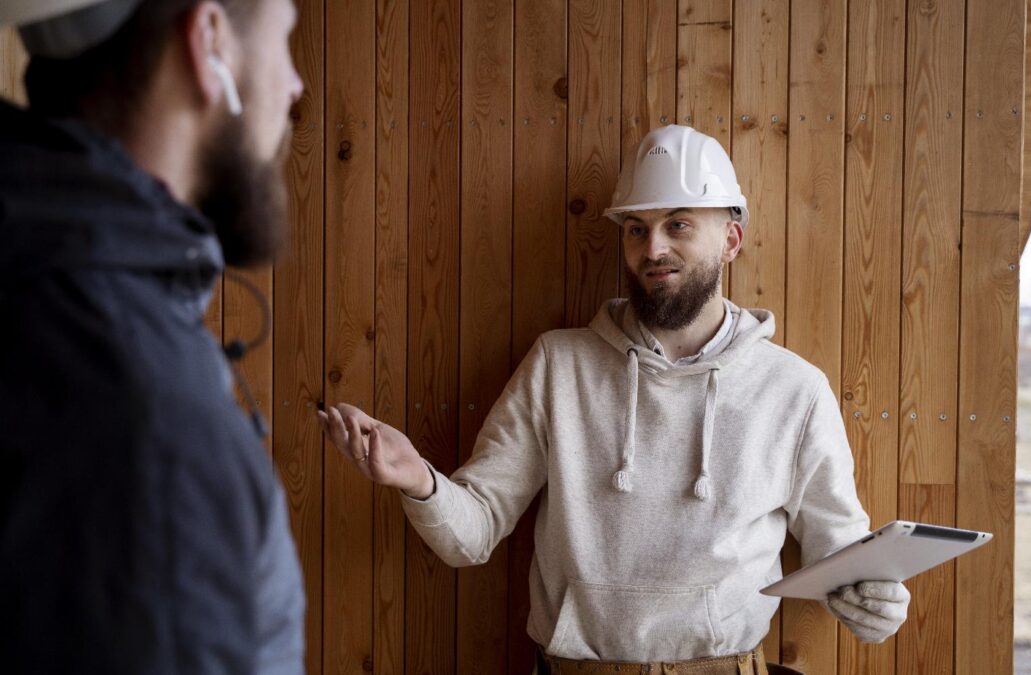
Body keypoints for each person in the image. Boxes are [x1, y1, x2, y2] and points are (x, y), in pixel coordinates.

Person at [318, 125, 909, 673]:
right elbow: (472, 535)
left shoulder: (795, 390)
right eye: (636, 229)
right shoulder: (557, 365)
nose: (652, 249)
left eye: (678, 225)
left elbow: (844, 559)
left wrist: (878, 604)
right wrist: (418, 480)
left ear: (731, 240)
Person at [0, 1, 306, 672]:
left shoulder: (35, 281)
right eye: (284, 38)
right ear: (209, 42)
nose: (295, 85)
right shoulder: (147, 422)